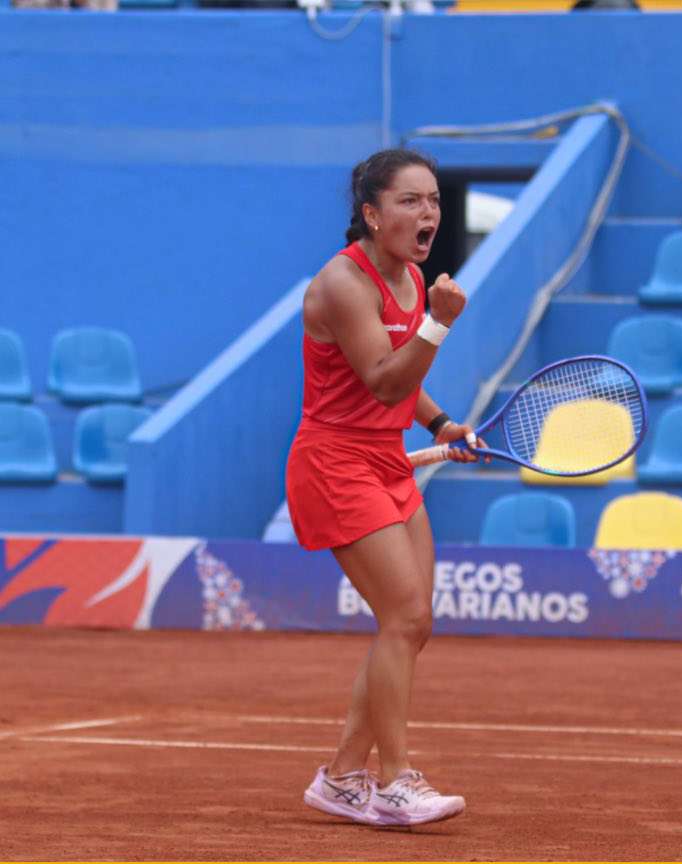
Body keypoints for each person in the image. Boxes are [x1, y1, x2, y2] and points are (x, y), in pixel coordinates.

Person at [285, 148, 486, 827]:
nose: (427, 211)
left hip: (387, 461)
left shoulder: (412, 274)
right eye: (410, 200)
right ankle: (393, 782)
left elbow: (406, 379)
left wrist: (442, 422)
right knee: (402, 616)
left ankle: (341, 776)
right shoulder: (344, 283)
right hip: (335, 463)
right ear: (371, 215)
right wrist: (440, 322)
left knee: (413, 623)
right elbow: (382, 379)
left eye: (432, 200)